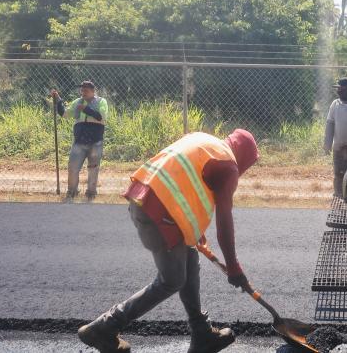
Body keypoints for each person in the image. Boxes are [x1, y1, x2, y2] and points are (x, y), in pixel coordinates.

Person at [77, 129, 259, 353]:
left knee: (190, 263)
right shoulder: (228, 165)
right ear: (244, 158)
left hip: (144, 198)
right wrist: (234, 267)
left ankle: (202, 333)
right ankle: (103, 327)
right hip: (160, 214)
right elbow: (224, 222)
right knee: (172, 280)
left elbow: (182, 181)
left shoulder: (206, 142)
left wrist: (192, 227)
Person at [51, 81, 109, 202]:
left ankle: (91, 193)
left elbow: (101, 116)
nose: (83, 93)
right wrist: (58, 100)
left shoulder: (101, 102)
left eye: (86, 90)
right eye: (82, 90)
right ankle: (72, 192)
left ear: (93, 91)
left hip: (95, 142)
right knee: (73, 167)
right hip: (79, 142)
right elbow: (65, 114)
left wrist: (86, 109)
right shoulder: (77, 102)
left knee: (93, 168)